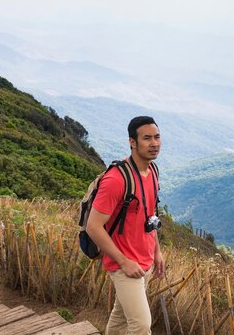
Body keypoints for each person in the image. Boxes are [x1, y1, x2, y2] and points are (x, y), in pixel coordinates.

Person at [86, 116, 165, 335]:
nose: (154, 143)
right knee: (141, 325)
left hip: (144, 261)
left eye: (157, 137)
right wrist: (123, 261)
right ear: (132, 142)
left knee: (120, 319)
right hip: (123, 263)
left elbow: (150, 216)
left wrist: (157, 251)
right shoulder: (117, 179)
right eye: (147, 138)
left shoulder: (153, 172)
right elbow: (94, 226)